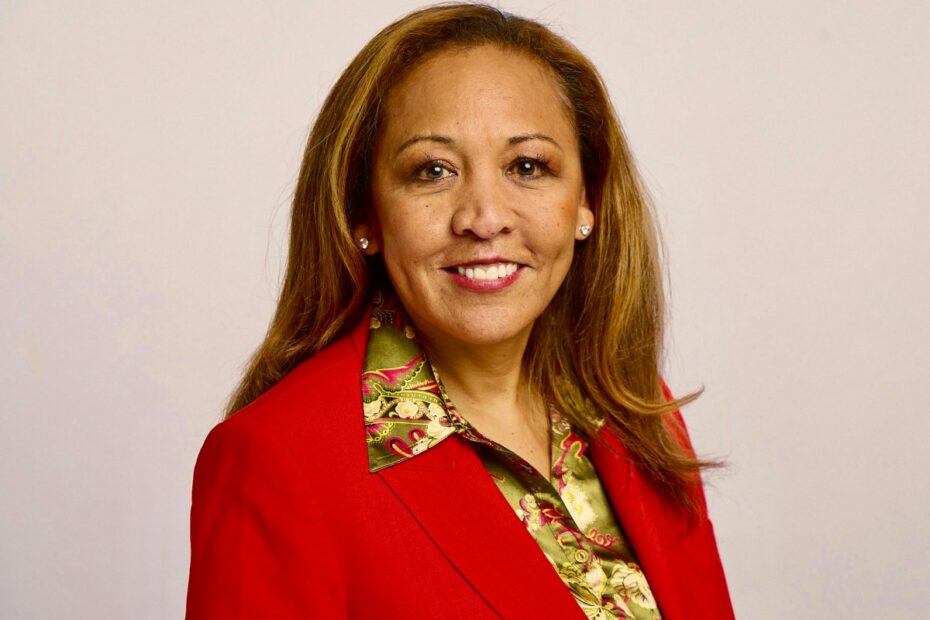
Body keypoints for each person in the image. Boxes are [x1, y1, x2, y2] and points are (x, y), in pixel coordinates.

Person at [186, 4, 733, 619]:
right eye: (432, 171)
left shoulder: (636, 412)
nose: (483, 217)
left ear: (587, 199)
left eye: (527, 166)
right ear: (364, 212)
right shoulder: (277, 462)